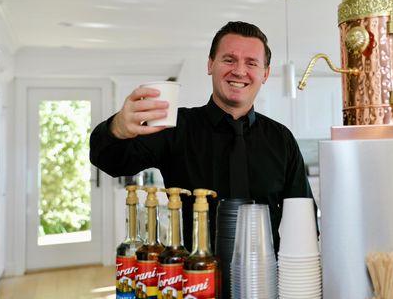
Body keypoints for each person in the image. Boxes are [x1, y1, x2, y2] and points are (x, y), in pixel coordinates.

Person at [90, 21, 314, 252]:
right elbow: (110, 161)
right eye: (229, 59)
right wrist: (117, 128)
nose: (239, 70)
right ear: (210, 64)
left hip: (268, 278)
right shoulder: (175, 128)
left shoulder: (281, 139)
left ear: (265, 74)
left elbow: (303, 218)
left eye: (251, 63)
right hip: (195, 277)